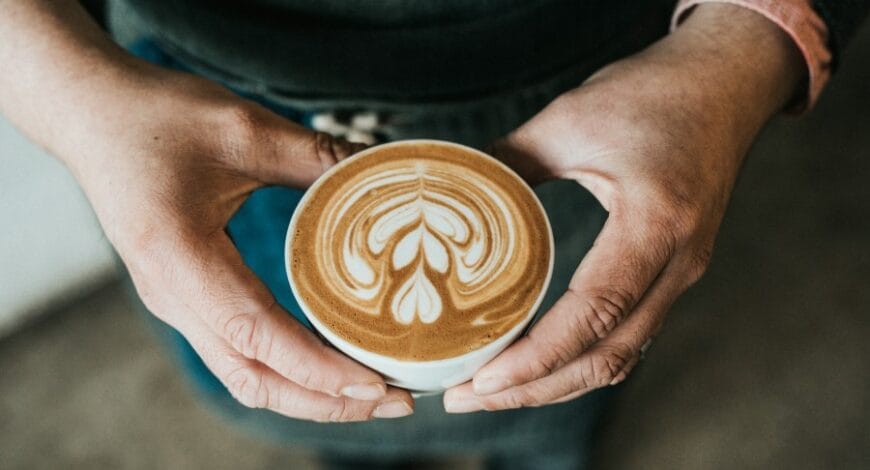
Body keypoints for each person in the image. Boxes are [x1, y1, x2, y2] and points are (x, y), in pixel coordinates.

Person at [1, 1, 867, 468]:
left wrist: (745, 43)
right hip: (190, 108)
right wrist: (69, 97)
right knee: (313, 398)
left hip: (585, 99)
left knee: (558, 379)